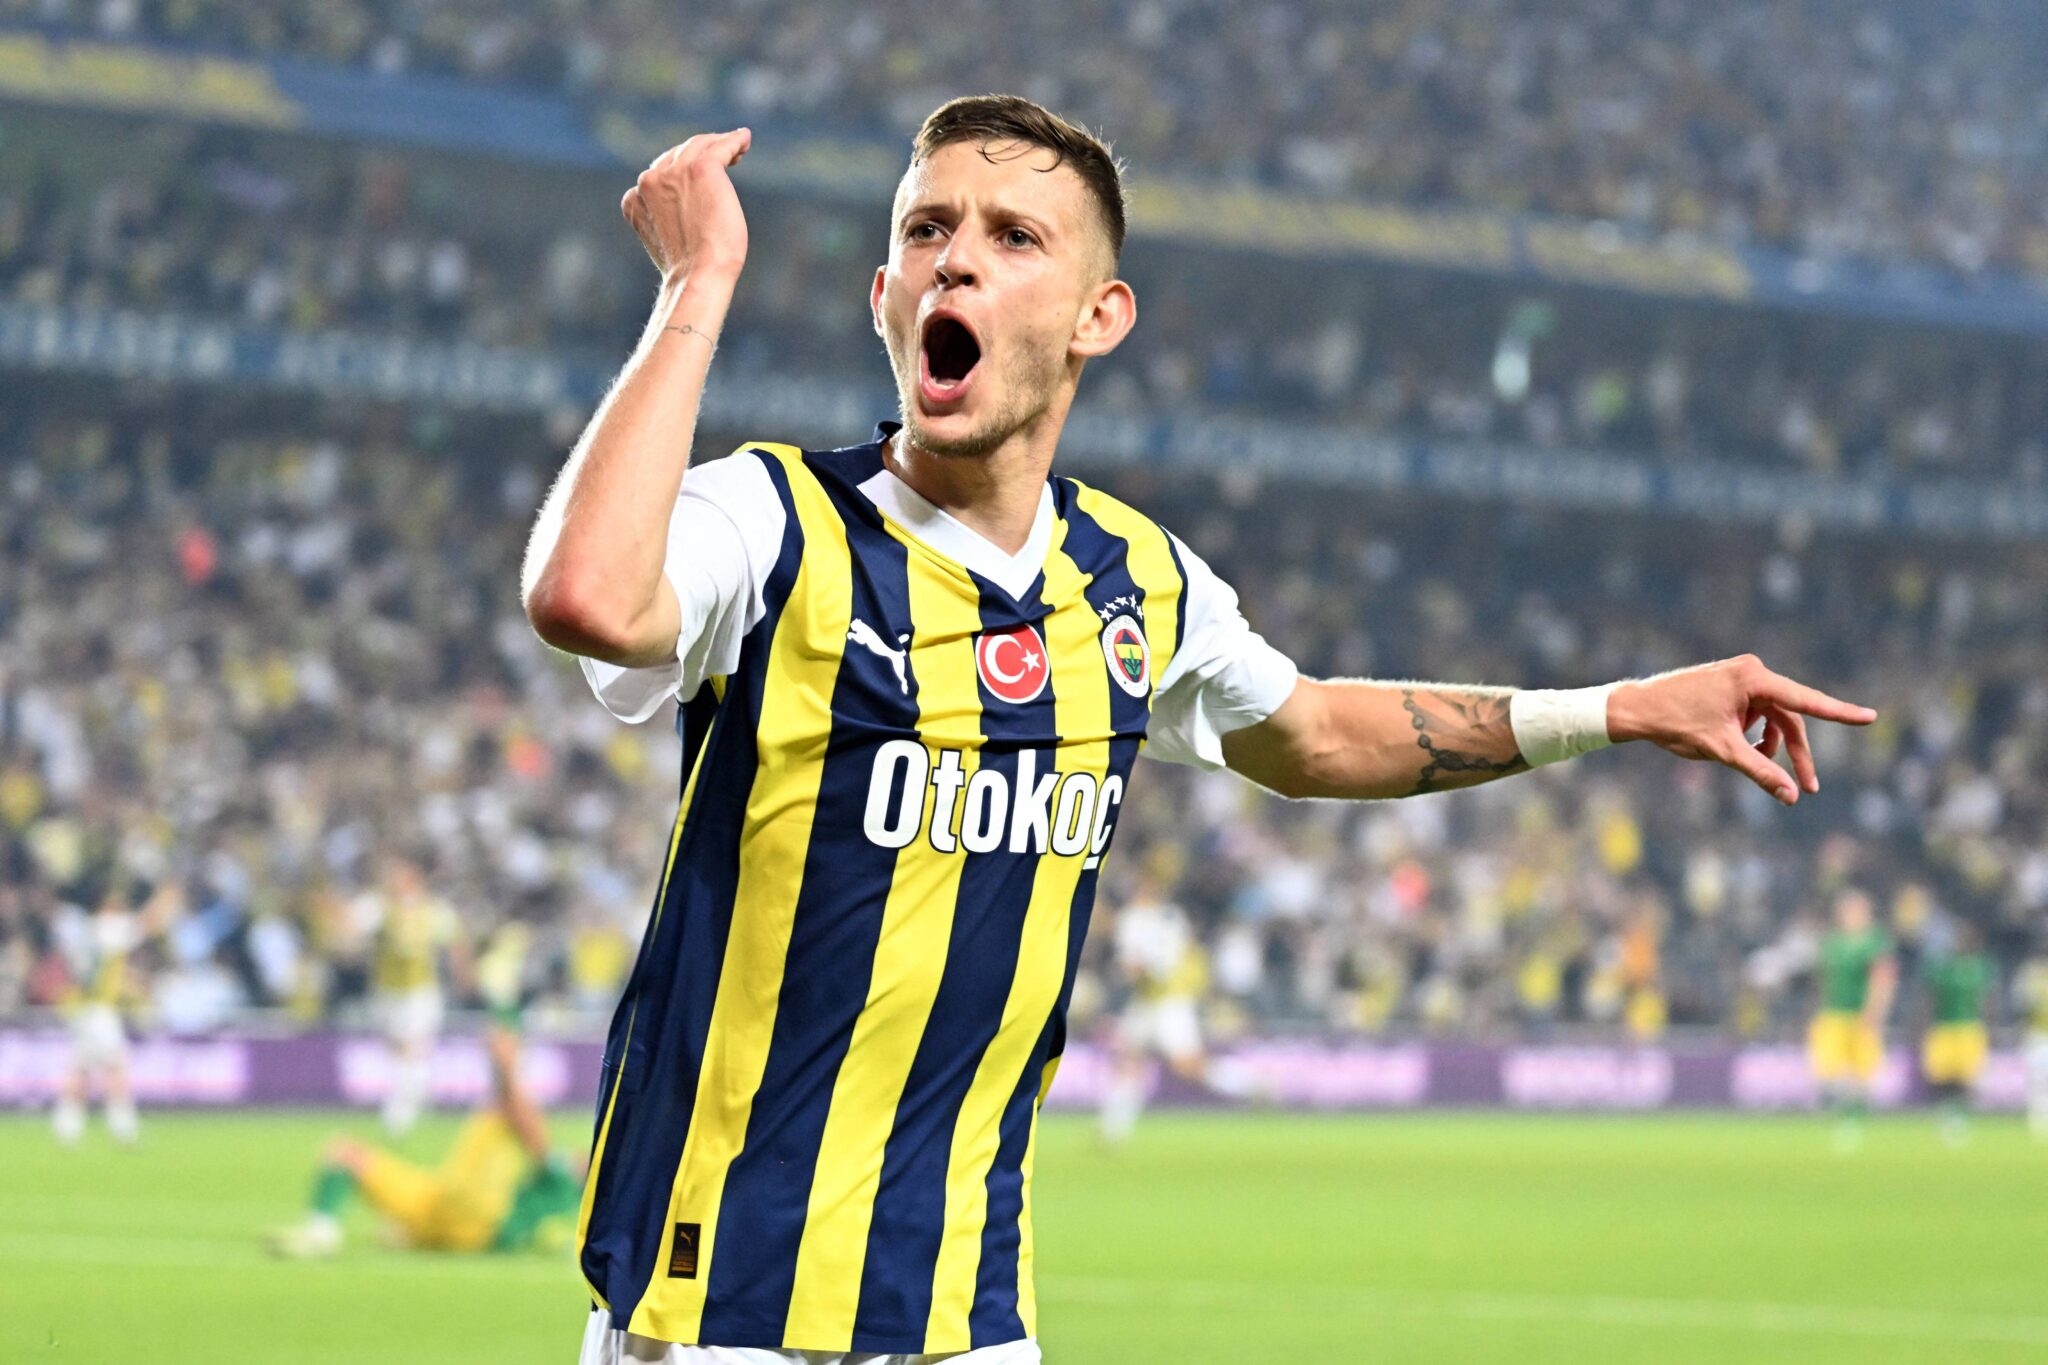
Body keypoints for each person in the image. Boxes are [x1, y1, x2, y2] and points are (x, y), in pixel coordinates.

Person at [521, 95, 1877, 1364]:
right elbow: (588, 595)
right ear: (881, 295)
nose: (955, 263)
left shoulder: (1136, 582)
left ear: (1098, 316)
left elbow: (1316, 735)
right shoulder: (774, 523)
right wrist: (695, 288)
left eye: (1011, 236)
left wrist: (1622, 709)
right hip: (718, 1319)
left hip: (972, 1316)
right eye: (924, 231)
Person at [267, 1023, 584, 1258]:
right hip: (438, 1204)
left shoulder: (519, 1111)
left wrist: (505, 1062)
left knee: (346, 1153)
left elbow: (529, 1129)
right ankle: (329, 1233)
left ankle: (323, 1232)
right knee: (347, 1156)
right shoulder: (512, 1115)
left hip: (470, 1218)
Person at [1098, 871, 1253, 1144]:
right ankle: (1112, 1131)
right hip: (1146, 1001)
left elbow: (1152, 967)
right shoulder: (1148, 919)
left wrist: (1133, 966)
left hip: (1170, 1003)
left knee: (1188, 1067)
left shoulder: (1164, 922)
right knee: (1129, 1060)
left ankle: (1250, 1085)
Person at [51, 879, 180, 1148]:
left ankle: (67, 1126)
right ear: (105, 905)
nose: (120, 906)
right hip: (99, 1010)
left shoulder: (85, 931)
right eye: (116, 902)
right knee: (115, 1065)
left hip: (81, 1007)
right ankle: (123, 1126)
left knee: (80, 1067)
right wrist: (165, 897)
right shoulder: (110, 929)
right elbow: (149, 922)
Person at [357, 853, 467, 1136]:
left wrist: (461, 971)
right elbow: (353, 930)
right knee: (398, 1050)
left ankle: (400, 1113)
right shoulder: (379, 908)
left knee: (412, 1048)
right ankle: (412, 1096)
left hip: (420, 992)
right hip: (387, 991)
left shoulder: (432, 911)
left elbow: (454, 939)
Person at [1807, 890, 1896, 1150]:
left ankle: (1853, 1120)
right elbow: (1824, 980)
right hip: (1834, 1013)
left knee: (1862, 1071)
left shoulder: (1875, 942)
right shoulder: (1833, 942)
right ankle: (1843, 1113)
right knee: (1829, 1070)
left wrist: (1875, 1012)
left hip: (1860, 1015)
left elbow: (1882, 980)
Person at [1919, 920, 1991, 1146]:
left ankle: (1959, 1117)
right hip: (1944, 1027)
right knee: (1942, 1075)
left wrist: (1988, 1025)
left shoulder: (1980, 968)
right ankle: (1947, 1115)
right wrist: (1924, 1026)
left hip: (1969, 1028)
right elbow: (1930, 999)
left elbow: (1986, 1001)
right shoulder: (1943, 968)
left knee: (1965, 1077)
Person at [2015, 935, 2048, 1140]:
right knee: (2036, 1079)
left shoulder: (2031, 975)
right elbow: (2023, 1003)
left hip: (2039, 1034)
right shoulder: (2031, 975)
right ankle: (2037, 1119)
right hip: (2036, 1034)